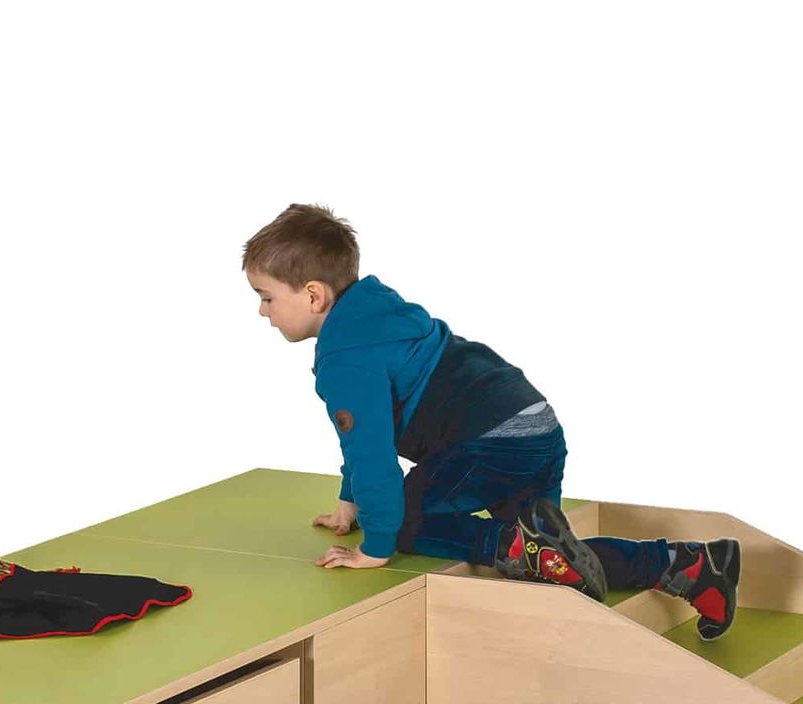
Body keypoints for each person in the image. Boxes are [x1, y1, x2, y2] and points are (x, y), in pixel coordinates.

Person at [242, 202, 740, 639]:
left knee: (404, 524)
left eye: (266, 297)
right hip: (534, 426)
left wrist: (374, 546)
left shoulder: (344, 358)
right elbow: (367, 435)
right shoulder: (378, 318)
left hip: (488, 440)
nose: (263, 312)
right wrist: (348, 502)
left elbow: (371, 453)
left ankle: (518, 547)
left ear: (313, 295)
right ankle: (689, 565)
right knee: (555, 559)